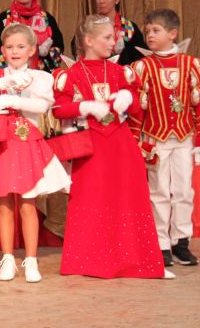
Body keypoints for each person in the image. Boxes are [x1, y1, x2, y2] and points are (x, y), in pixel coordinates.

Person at [52, 14, 173, 280]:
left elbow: (138, 108)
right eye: (107, 37)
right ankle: (89, 262)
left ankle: (138, 261)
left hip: (121, 145)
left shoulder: (120, 72)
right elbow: (59, 109)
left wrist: (128, 97)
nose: (113, 42)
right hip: (90, 147)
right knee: (92, 201)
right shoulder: (70, 75)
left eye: (114, 37)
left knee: (128, 200)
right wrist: (85, 106)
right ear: (88, 40)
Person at [0, 24, 71, 283]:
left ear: (32, 49)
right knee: (4, 204)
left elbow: (42, 106)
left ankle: (31, 260)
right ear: (3, 50)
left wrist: (12, 100)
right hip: (2, 145)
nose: (15, 51)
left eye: (21, 47)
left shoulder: (42, 77)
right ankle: (7, 259)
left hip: (28, 145)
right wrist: (1, 84)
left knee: (28, 204)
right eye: (10, 47)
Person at [130, 8, 200, 267]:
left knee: (184, 191)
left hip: (184, 139)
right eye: (148, 31)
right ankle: (161, 243)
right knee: (159, 192)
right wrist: (136, 142)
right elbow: (137, 111)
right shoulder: (142, 67)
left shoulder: (191, 65)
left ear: (173, 33)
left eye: (156, 30)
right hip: (155, 139)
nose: (150, 35)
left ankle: (181, 241)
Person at [71, 0, 146, 64]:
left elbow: (139, 57)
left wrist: (121, 54)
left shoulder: (128, 27)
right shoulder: (90, 25)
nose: (101, 1)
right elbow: (76, 47)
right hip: (94, 69)